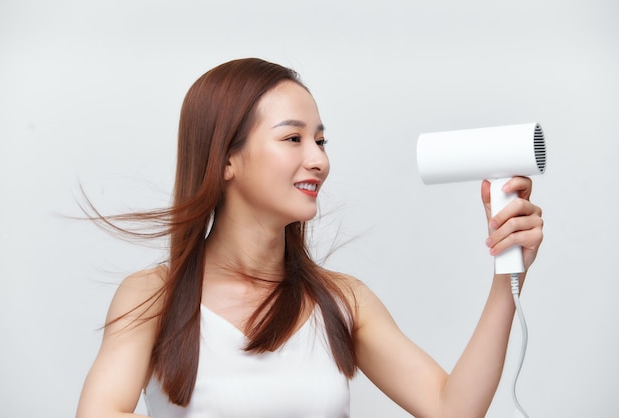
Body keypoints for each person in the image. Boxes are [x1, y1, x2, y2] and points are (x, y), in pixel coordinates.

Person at [76, 58, 544, 418]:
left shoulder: (343, 301)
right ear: (225, 161)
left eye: (320, 140)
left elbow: (451, 409)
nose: (318, 160)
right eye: (293, 139)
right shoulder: (153, 297)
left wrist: (508, 275)